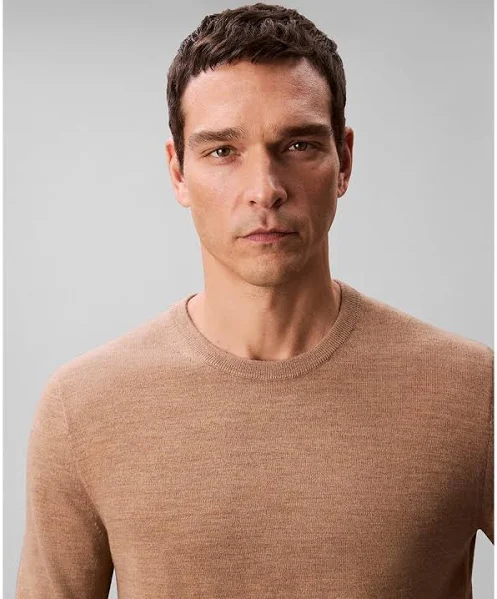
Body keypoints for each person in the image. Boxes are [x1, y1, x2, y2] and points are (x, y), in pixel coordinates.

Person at [16, 3, 493, 598]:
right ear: (177, 172)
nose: (265, 189)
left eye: (298, 145)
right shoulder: (83, 407)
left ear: (344, 161)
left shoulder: (473, 392)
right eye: (223, 151)